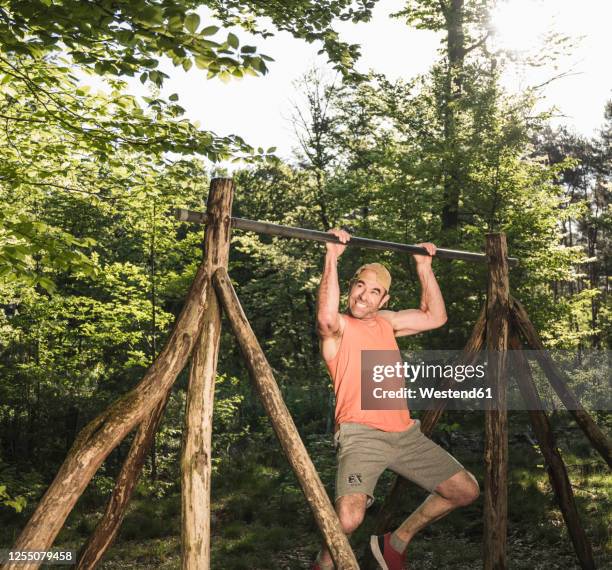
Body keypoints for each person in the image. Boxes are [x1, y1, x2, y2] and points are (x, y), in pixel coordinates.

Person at [312, 229, 480, 570]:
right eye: (360, 285)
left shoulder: (387, 323)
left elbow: (436, 317)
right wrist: (331, 256)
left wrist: (423, 267)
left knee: (465, 490)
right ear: (350, 287)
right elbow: (325, 320)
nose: (364, 296)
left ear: (383, 301)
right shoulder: (339, 328)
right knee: (347, 519)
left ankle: (394, 544)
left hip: (406, 436)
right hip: (362, 436)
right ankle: (322, 566)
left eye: (375, 291)